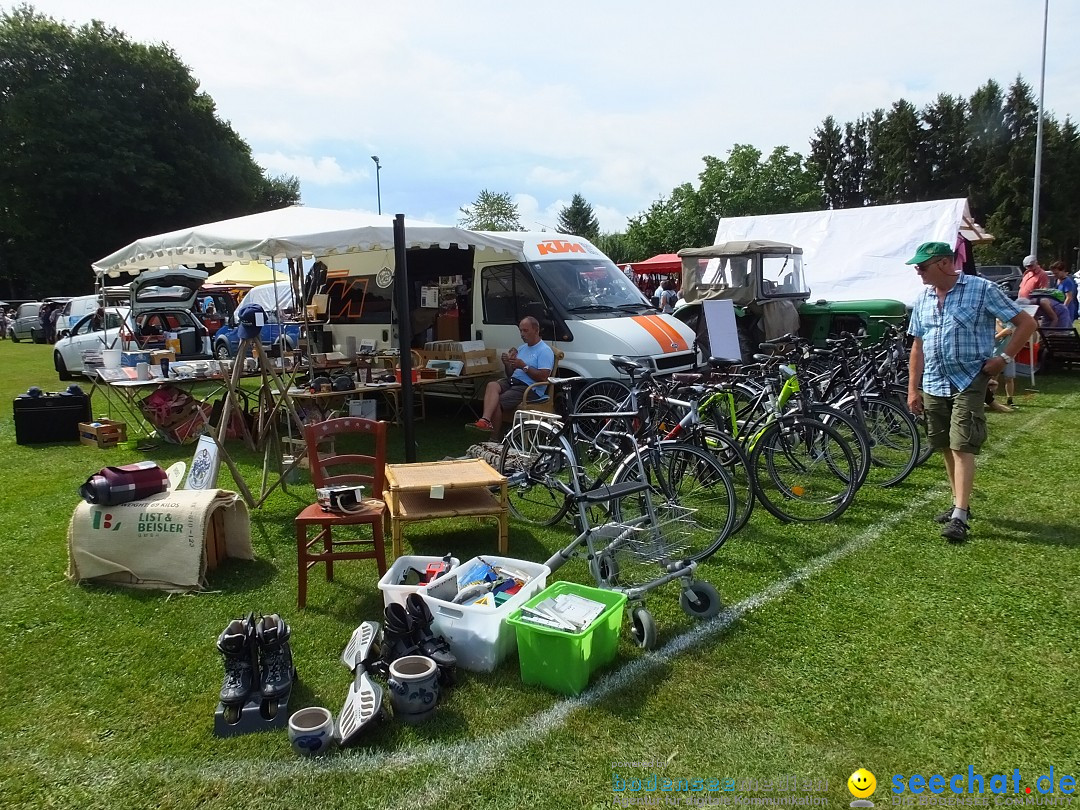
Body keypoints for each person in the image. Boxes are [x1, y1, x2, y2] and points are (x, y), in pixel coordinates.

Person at [905, 242, 1036, 542]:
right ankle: (957, 504)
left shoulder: (981, 289)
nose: (917, 271)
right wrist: (913, 389)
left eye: (922, 266)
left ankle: (960, 517)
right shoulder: (923, 298)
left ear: (942, 263)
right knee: (945, 445)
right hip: (934, 382)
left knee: (962, 443)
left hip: (968, 379)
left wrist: (1003, 359)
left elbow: (1025, 322)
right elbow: (918, 346)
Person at [467, 316, 554, 434]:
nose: (522, 334)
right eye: (520, 330)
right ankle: (485, 420)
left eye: (525, 330)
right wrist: (507, 364)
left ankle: (494, 438)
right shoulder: (522, 348)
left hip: (530, 389)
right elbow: (510, 374)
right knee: (492, 385)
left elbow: (543, 377)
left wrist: (524, 366)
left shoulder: (544, 350)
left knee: (496, 402)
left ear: (536, 330)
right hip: (514, 382)